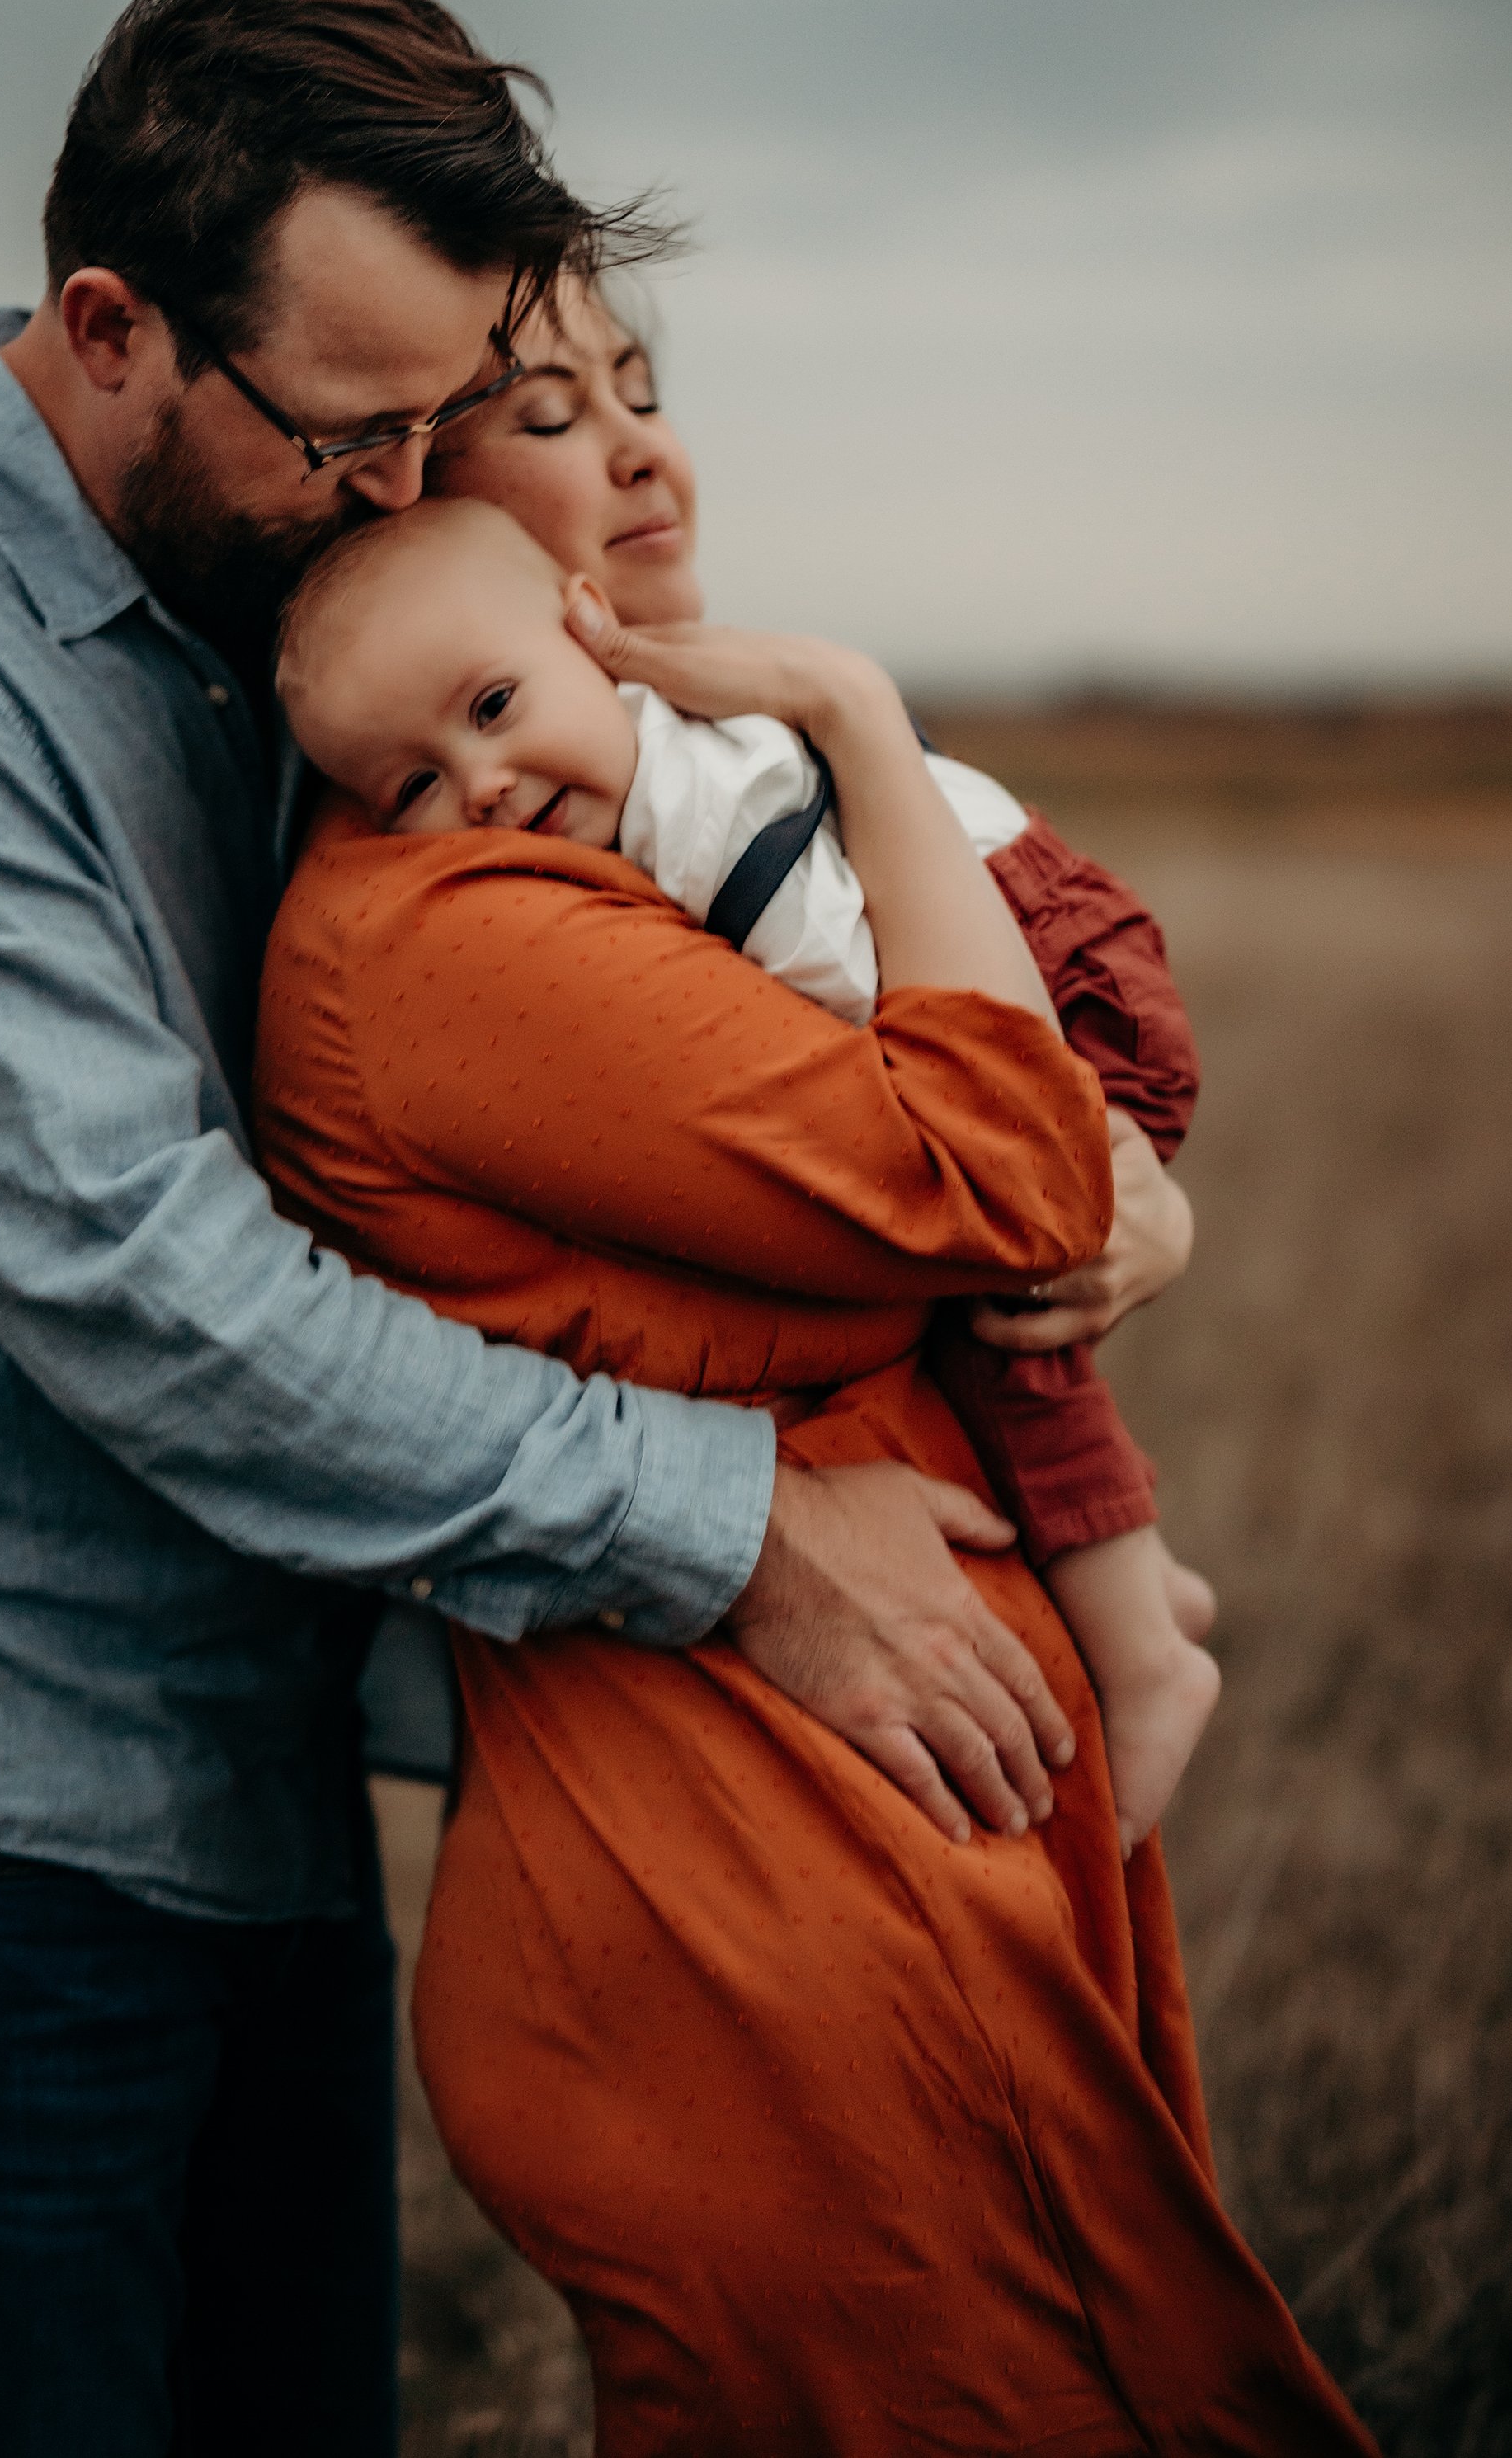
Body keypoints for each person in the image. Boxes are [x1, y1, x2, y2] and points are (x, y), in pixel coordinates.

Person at [0, 0, 1095, 2458]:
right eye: (351, 427)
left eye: (448, 417)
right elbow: (151, 1286)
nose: (410, 488)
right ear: (110, 324)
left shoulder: (267, 606)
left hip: (253, 1780)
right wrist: (738, 1523)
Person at [255, 524, 1378, 2452]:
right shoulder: (460, 925)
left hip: (893, 1769)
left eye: (643, 397)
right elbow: (1012, 1180)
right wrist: (851, 708)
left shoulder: (652, 813)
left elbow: (1034, 1191)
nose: (471, 790)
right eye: (409, 781)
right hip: (763, 1861)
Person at [275, 491, 1222, 1847]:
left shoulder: (709, 818)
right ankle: (1141, 1591)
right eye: (413, 786)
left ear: (588, 631)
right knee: (994, 1302)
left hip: (1050, 960)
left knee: (1006, 1300)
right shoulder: (614, 807)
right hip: (1010, 928)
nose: (478, 783)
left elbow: (930, 1087)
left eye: (492, 706)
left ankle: (1141, 1642)